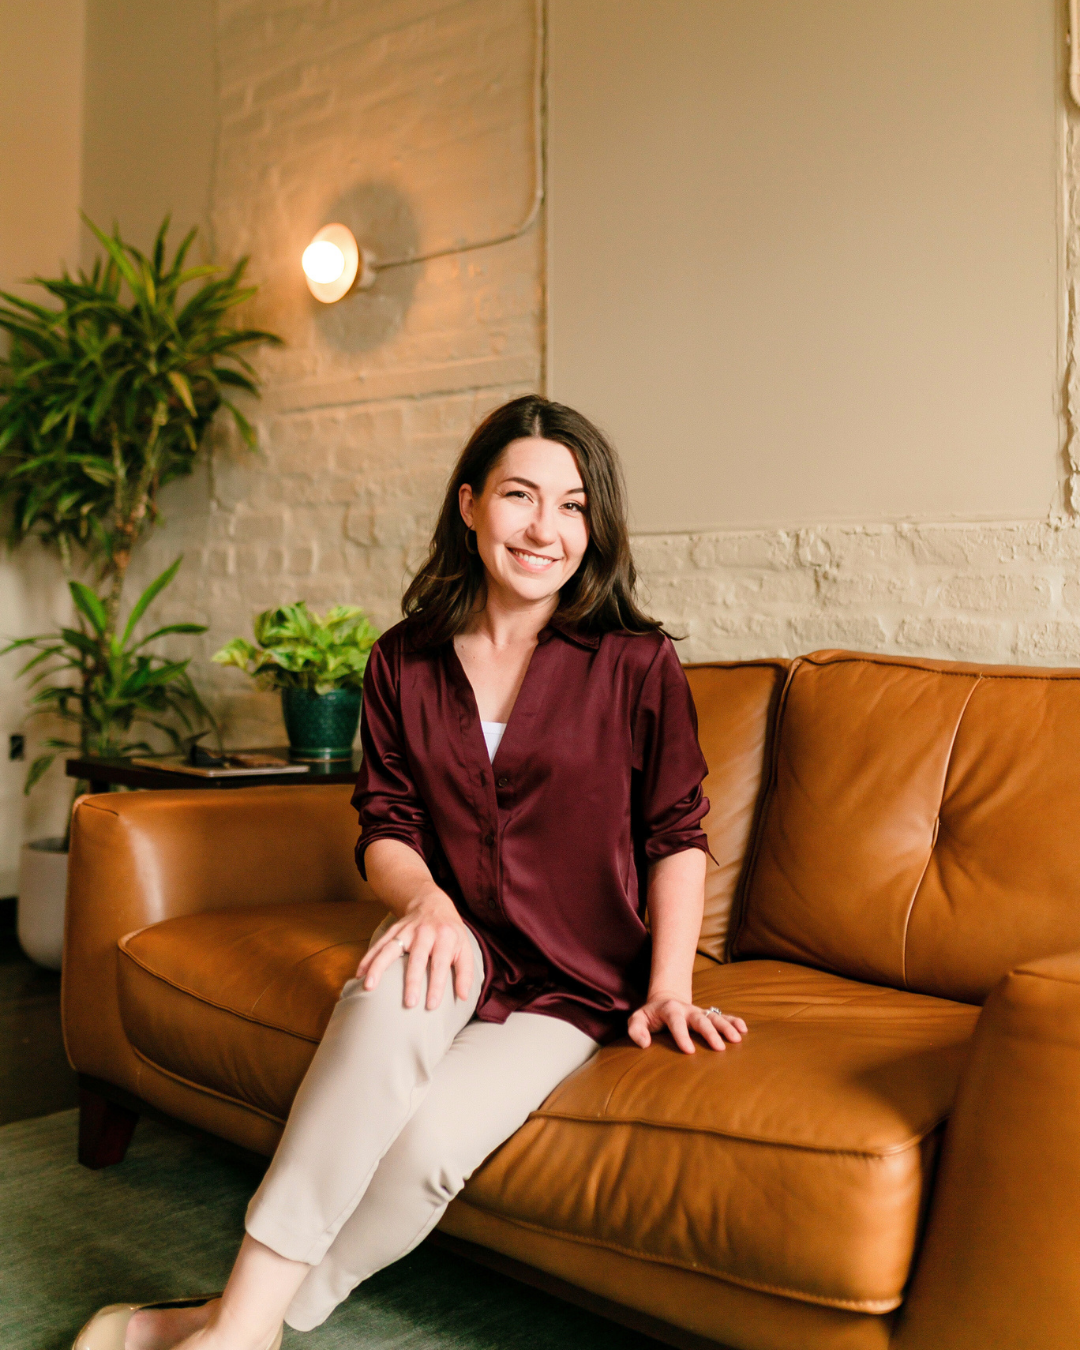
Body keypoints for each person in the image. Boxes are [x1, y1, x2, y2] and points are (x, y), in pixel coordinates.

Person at [76, 395, 747, 1350]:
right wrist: (428, 901)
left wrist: (670, 986)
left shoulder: (637, 664)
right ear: (470, 504)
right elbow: (384, 824)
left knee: (429, 1149)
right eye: (520, 496)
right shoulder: (401, 662)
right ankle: (236, 1339)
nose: (544, 528)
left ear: (594, 529)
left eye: (572, 506)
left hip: (573, 982)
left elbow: (676, 834)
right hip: (450, 941)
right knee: (382, 1009)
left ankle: (239, 1322)